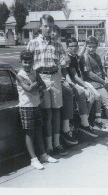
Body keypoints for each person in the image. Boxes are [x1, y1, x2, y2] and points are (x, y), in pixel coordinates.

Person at [27, 14, 68, 156]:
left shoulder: (57, 44)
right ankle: (49, 146)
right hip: (41, 77)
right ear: (40, 26)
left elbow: (65, 59)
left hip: (55, 76)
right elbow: (27, 63)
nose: (48, 29)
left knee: (56, 111)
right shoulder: (33, 43)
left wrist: (64, 61)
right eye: (45, 26)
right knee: (47, 113)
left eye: (50, 26)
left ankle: (57, 144)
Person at [16, 50, 58, 170]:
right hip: (26, 106)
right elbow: (28, 89)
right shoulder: (19, 75)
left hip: (36, 105)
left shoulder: (34, 72)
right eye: (25, 62)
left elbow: (43, 86)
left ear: (33, 62)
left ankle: (43, 155)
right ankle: (33, 159)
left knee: (39, 130)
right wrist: (36, 83)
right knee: (29, 133)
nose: (27, 64)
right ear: (21, 62)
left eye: (29, 62)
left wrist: (36, 86)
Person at [64, 37, 100, 137]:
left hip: (80, 81)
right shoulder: (68, 58)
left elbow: (80, 53)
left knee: (95, 96)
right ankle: (84, 121)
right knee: (86, 94)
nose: (74, 48)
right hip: (73, 81)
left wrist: (85, 44)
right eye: (71, 46)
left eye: (76, 46)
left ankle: (89, 119)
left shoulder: (75, 56)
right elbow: (74, 76)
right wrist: (86, 86)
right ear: (67, 47)